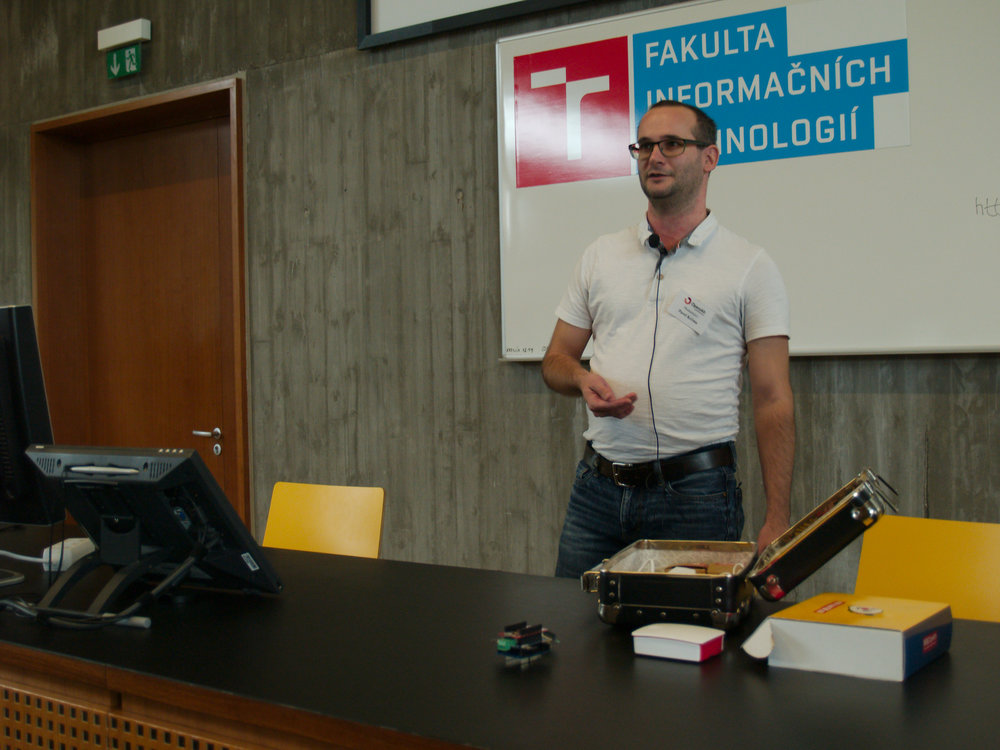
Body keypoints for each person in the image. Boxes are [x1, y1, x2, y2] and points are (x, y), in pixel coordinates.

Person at [542, 100, 794, 579]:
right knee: (574, 621)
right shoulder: (600, 256)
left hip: (696, 498)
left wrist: (777, 518)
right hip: (598, 493)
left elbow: (773, 398)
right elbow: (556, 359)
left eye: (672, 144)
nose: (654, 157)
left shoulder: (749, 267)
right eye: (644, 146)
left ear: (709, 158)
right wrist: (580, 378)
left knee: (686, 628)